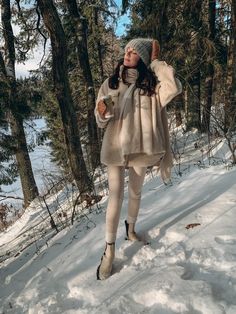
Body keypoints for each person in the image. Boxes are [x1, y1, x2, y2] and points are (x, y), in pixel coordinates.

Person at [94, 38, 182, 280]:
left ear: (143, 59)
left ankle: (130, 229)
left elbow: (174, 86)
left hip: (141, 149)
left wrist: (155, 61)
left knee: (135, 193)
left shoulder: (153, 86)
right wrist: (102, 111)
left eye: (134, 51)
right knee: (116, 196)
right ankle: (109, 250)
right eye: (127, 50)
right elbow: (100, 116)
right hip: (115, 148)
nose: (128, 53)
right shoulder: (111, 83)